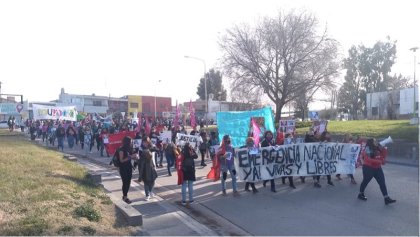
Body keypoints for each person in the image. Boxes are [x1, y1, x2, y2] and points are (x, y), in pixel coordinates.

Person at [358, 138, 396, 205]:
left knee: (382, 183)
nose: (376, 141)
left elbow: (382, 156)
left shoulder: (378, 148)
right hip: (368, 168)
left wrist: (384, 149)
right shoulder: (367, 149)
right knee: (365, 181)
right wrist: (378, 161)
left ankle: (386, 198)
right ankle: (360, 194)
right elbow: (367, 159)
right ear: (371, 143)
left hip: (378, 168)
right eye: (375, 141)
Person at [118, 136, 139, 204]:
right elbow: (121, 160)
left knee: (128, 181)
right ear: (127, 142)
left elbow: (133, 157)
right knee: (125, 182)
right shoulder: (121, 149)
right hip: (123, 168)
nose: (132, 143)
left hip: (129, 167)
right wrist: (130, 157)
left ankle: (125, 196)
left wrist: (136, 157)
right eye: (131, 142)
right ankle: (125, 196)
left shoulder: (129, 148)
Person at [138, 137, 158, 201]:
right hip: (144, 167)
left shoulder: (152, 147)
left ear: (148, 141)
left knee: (153, 180)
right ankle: (147, 195)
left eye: (146, 142)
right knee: (146, 182)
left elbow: (158, 150)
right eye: (144, 142)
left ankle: (151, 191)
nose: (145, 143)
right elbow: (139, 159)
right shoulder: (141, 149)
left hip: (152, 165)